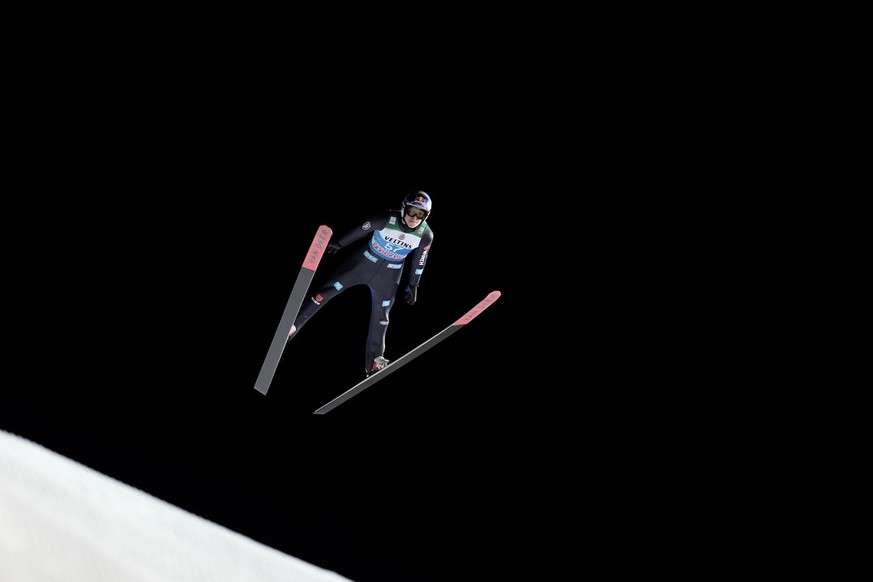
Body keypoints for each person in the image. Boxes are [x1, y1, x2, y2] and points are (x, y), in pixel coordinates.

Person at [287, 191, 435, 376]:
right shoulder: (385, 217)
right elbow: (361, 229)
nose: (414, 218)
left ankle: (374, 360)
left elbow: (419, 261)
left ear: (425, 216)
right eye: (412, 211)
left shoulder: (425, 235)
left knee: (382, 316)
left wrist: (413, 285)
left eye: (420, 214)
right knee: (327, 292)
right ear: (404, 208)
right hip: (363, 263)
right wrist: (340, 243)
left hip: (389, 275)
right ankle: (292, 326)